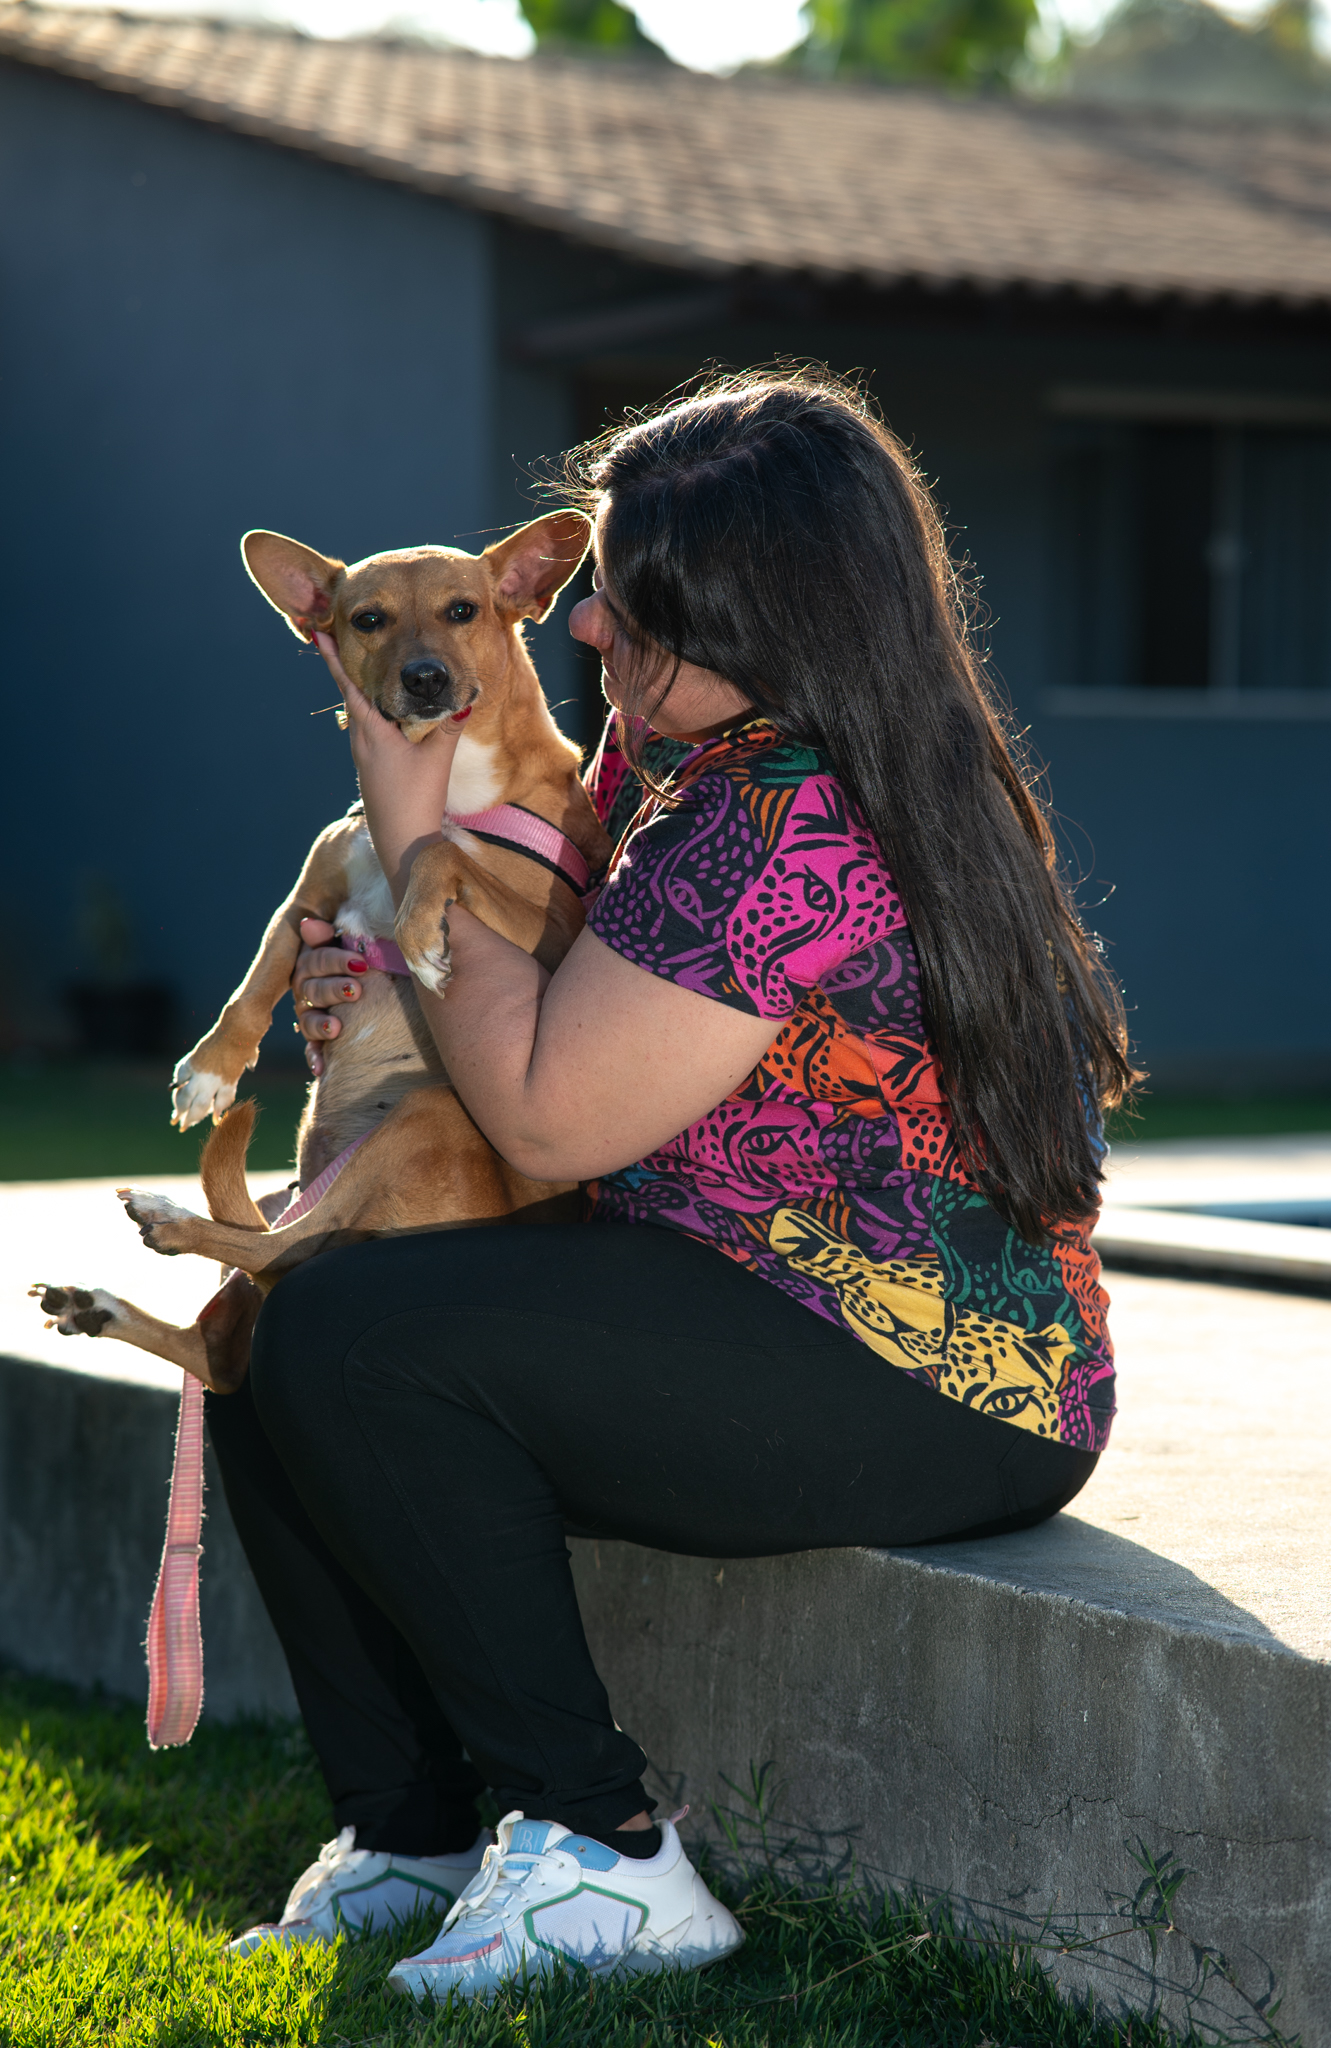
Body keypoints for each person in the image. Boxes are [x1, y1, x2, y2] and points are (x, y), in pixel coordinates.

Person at [208, 369, 1135, 2000]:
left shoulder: (786, 812)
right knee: (269, 1318)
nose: (580, 620)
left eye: (624, 593)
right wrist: (384, 970)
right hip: (747, 1296)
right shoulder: (688, 768)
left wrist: (412, 847)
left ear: (741, 604)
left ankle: (606, 1852)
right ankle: (412, 1832)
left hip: (928, 1379)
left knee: (354, 1340)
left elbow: (551, 1115)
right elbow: (529, 991)